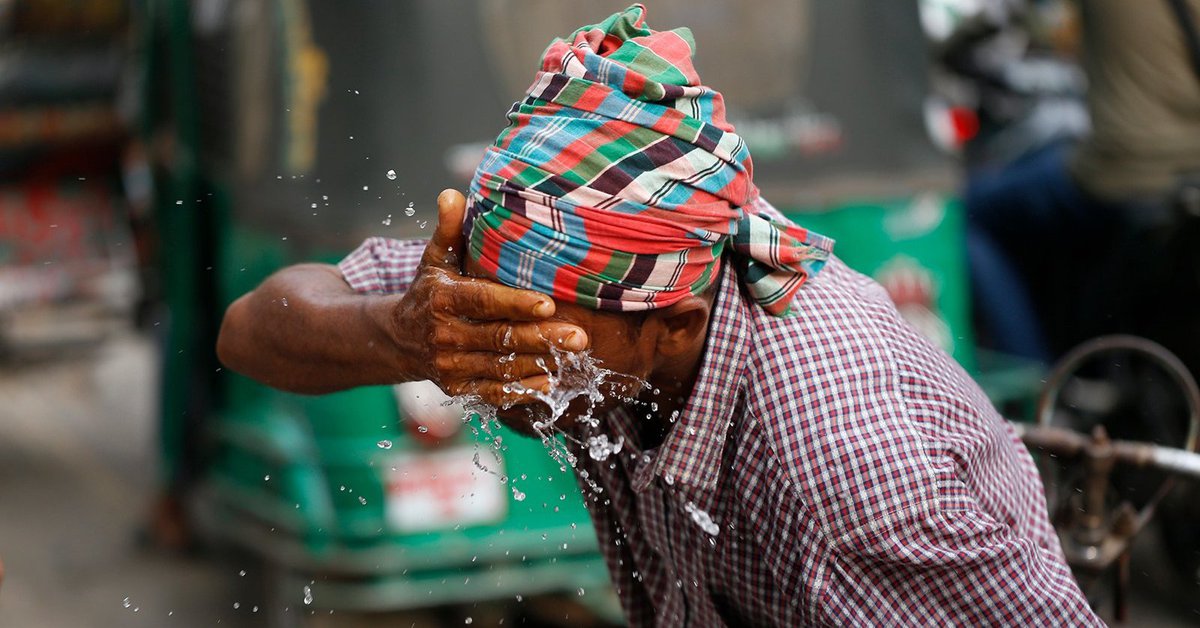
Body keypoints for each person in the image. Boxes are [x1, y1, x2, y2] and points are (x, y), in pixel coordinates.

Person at [218, 6, 1102, 625]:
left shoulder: (838, 464)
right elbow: (249, 329)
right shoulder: (527, 282)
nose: (502, 351)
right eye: (490, 312)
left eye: (545, 333)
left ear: (673, 318)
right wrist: (398, 334)